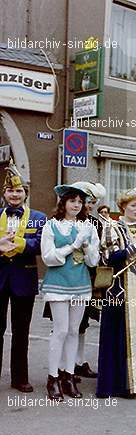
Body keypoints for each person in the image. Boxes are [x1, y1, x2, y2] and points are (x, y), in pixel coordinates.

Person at [95, 183, 136, 398]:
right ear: (123, 206)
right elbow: (109, 258)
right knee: (118, 334)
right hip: (118, 290)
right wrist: (135, 248)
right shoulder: (112, 227)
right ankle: (119, 384)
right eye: (133, 205)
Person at [41, 183, 100, 400]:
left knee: (75, 330)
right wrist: (73, 245)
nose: (76, 205)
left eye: (79, 202)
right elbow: (48, 257)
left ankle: (69, 376)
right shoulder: (52, 225)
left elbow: (94, 261)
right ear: (63, 203)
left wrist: (85, 246)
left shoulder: (89, 227)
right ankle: (53, 377)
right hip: (58, 283)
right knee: (61, 330)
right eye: (72, 201)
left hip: (81, 284)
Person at [0, 160, 46, 393]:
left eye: (19, 191)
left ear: (25, 193)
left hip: (23, 280)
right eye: (10, 190)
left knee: (21, 332)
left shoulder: (39, 217)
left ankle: (20, 378)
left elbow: (39, 245)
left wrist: (16, 243)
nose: (14, 194)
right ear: (4, 193)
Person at [71, 181, 106, 380]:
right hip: (66, 277)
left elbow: (98, 252)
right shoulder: (60, 220)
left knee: (82, 323)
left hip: (88, 277)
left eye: (92, 202)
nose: (89, 206)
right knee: (64, 325)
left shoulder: (96, 223)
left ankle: (78, 361)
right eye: (86, 201)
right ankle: (62, 365)